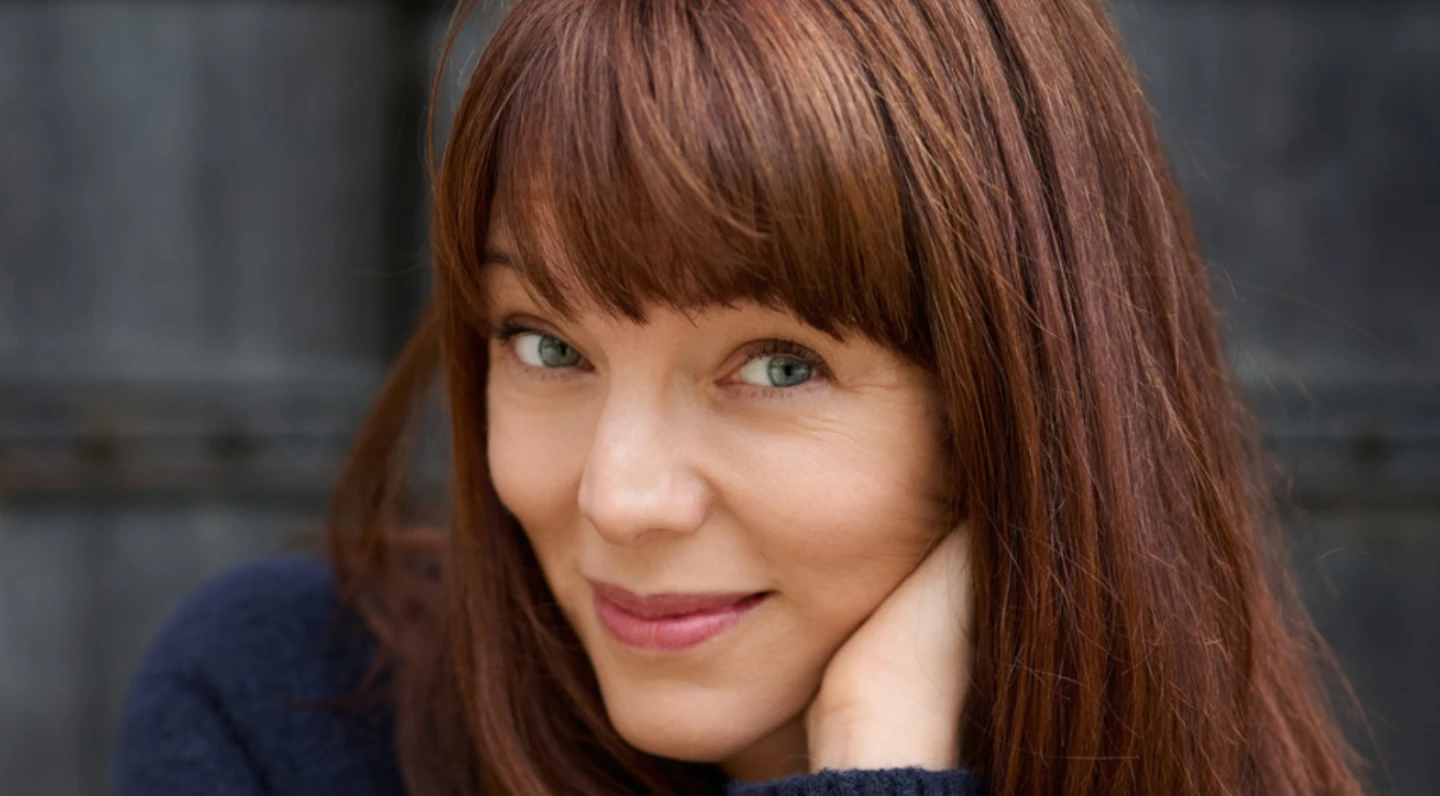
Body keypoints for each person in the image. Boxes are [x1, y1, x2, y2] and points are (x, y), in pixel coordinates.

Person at [114, 0, 1365, 794]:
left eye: (777, 365)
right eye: (546, 344)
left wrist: (880, 746)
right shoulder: (287, 710)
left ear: (1017, 398)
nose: (621, 497)